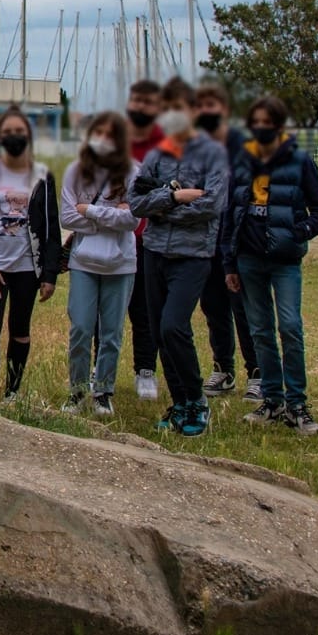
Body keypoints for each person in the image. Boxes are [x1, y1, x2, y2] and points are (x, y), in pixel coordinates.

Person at [128, 80, 230, 437]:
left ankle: (198, 401)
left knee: (174, 326)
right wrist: (173, 198)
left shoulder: (213, 155)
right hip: (155, 253)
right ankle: (180, 403)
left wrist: (163, 207)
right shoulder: (157, 155)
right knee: (159, 332)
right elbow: (137, 202)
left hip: (193, 255)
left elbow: (212, 205)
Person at [226, 95, 318, 435]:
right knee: (259, 329)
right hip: (248, 258)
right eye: (255, 122)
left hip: (284, 261)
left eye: (267, 123)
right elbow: (231, 214)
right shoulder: (242, 161)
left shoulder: (299, 160)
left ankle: (297, 402)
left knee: (289, 326)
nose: (261, 129)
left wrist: (296, 234)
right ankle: (271, 399)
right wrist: (229, 263)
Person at [0, 107, 62, 405]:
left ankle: (13, 393)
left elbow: (51, 227)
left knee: (20, 330)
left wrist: (49, 275)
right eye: (8, 132)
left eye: (20, 132)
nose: (14, 137)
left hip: (26, 267)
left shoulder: (42, 176)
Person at [59, 110, 138, 414]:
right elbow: (67, 216)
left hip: (121, 264)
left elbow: (131, 219)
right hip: (83, 262)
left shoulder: (134, 172)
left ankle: (103, 391)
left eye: (110, 134)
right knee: (80, 328)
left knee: (112, 333)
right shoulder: (75, 171)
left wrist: (89, 212)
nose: (103, 139)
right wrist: (110, 217)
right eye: (98, 133)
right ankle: (78, 391)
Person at [195, 83, 259, 402]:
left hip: (236, 243)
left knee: (244, 309)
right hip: (205, 243)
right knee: (213, 308)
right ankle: (223, 368)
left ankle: (257, 372)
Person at [123, 80, 166, 401]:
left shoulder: (166, 146)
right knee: (104, 313)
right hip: (113, 239)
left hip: (148, 240)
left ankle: (145, 372)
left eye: (148, 103)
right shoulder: (113, 140)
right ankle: (100, 370)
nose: (141, 108)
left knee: (144, 311)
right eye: (137, 101)